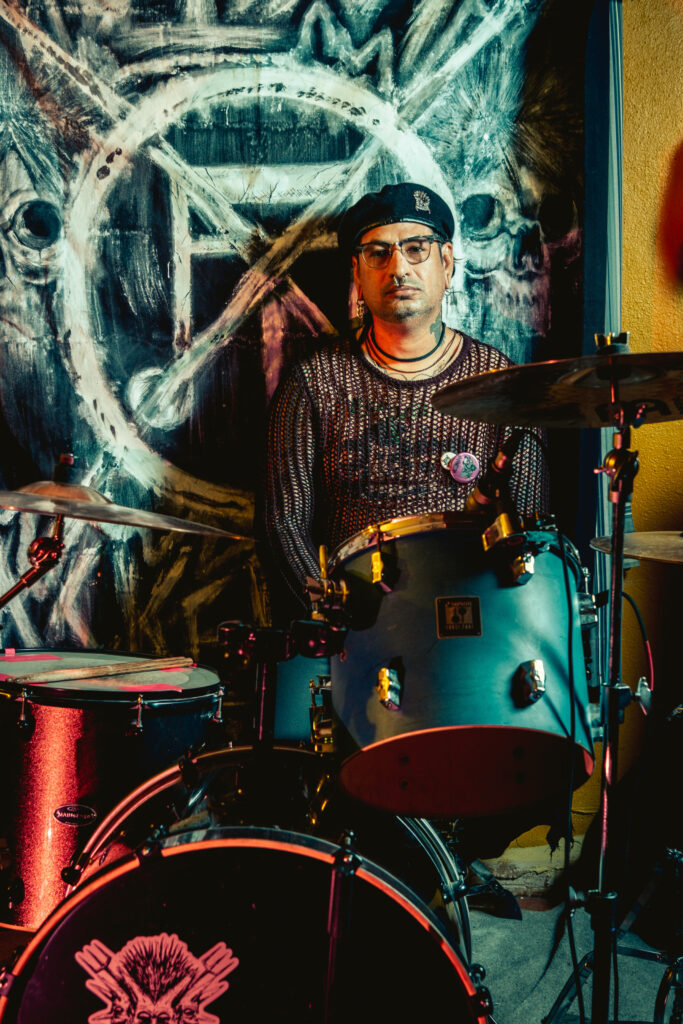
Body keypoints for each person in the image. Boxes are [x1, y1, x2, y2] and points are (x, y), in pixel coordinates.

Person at [263, 181, 549, 615]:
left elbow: (530, 532)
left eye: (416, 248)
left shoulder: (504, 383)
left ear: (447, 261)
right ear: (357, 274)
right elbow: (282, 527)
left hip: (475, 623)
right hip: (357, 634)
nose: (398, 268)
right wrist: (333, 614)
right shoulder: (314, 383)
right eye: (377, 253)